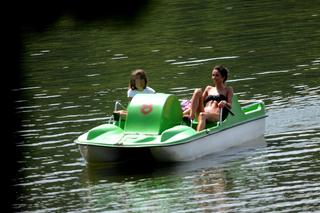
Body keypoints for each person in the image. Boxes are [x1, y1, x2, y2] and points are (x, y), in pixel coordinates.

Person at [183, 65, 233, 131]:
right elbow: (197, 104)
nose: (214, 77)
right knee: (198, 91)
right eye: (213, 75)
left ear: (223, 77)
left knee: (202, 115)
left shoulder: (228, 89)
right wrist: (183, 114)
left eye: (217, 75)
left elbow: (230, 105)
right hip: (203, 112)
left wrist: (225, 103)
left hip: (216, 115)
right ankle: (192, 116)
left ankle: (197, 137)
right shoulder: (208, 88)